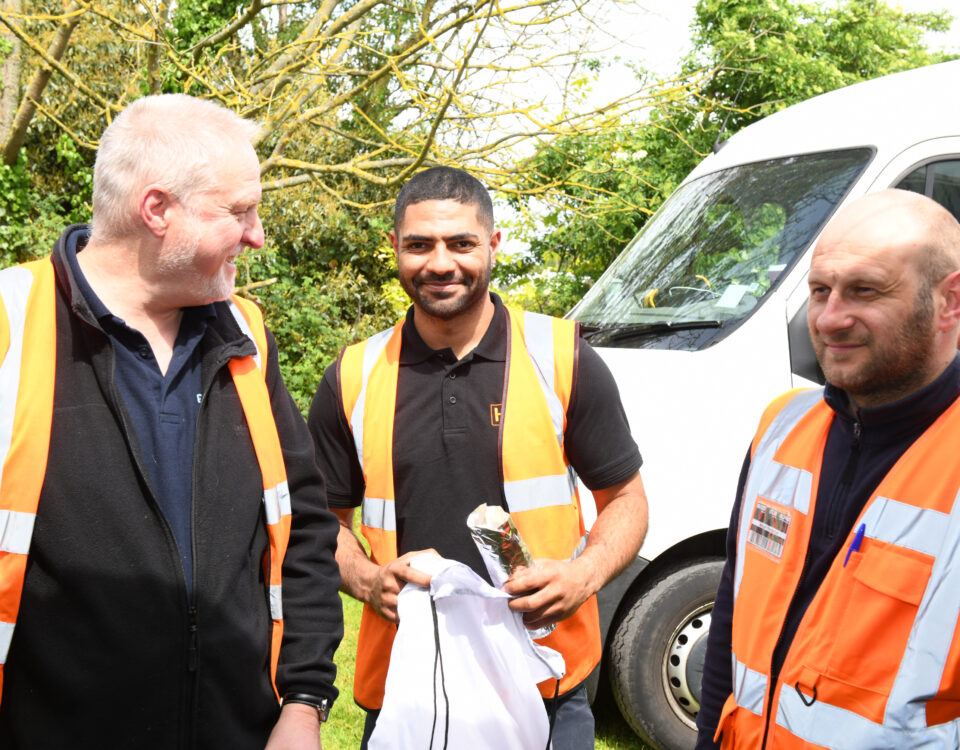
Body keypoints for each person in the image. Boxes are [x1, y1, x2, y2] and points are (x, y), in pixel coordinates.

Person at [0, 95, 343, 749]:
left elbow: (303, 531)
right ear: (156, 210)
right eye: (239, 211)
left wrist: (302, 705)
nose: (259, 234)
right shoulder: (10, 323)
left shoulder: (246, 334)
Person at [308, 165, 648, 749]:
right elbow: (321, 525)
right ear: (394, 248)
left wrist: (582, 575)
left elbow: (627, 500)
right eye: (419, 245)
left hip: (546, 679)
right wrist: (366, 578)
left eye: (461, 243)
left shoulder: (562, 357)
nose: (440, 263)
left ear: (493, 244)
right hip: (409, 688)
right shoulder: (353, 376)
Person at [695, 188, 960, 749]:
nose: (830, 318)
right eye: (820, 290)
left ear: (950, 301)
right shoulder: (781, 426)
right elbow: (732, 616)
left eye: (864, 290)